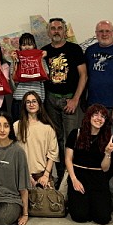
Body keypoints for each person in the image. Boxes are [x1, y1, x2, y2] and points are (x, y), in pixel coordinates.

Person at [42, 17, 87, 185]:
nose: (56, 31)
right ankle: (60, 175)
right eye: (53, 28)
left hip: (70, 99)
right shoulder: (44, 51)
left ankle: (72, 176)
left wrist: (75, 99)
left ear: (64, 31)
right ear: (48, 32)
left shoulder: (74, 49)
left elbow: (84, 75)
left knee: (71, 139)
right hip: (50, 99)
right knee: (55, 138)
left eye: (59, 28)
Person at [65, 104, 113, 225]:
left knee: (103, 219)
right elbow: (68, 159)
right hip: (78, 175)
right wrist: (74, 180)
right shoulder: (76, 133)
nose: (99, 118)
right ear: (89, 117)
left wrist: (108, 153)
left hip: (98, 177)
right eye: (95, 115)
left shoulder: (107, 138)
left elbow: (105, 168)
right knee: (80, 216)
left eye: (103, 116)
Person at [13, 91, 59, 188]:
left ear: (39, 104)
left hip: (42, 175)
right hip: (21, 173)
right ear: (24, 105)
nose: (31, 104)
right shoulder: (17, 126)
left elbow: (53, 154)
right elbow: (12, 152)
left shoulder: (48, 128)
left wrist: (46, 175)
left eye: (34, 101)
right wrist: (27, 176)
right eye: (28, 102)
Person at [9, 32, 47, 121]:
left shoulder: (41, 59)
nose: (27, 47)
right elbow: (15, 80)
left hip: (37, 99)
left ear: (34, 46)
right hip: (20, 99)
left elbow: (45, 78)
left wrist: (41, 58)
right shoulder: (15, 60)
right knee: (19, 127)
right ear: (20, 47)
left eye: (30, 44)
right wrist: (15, 61)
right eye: (24, 45)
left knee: (36, 127)